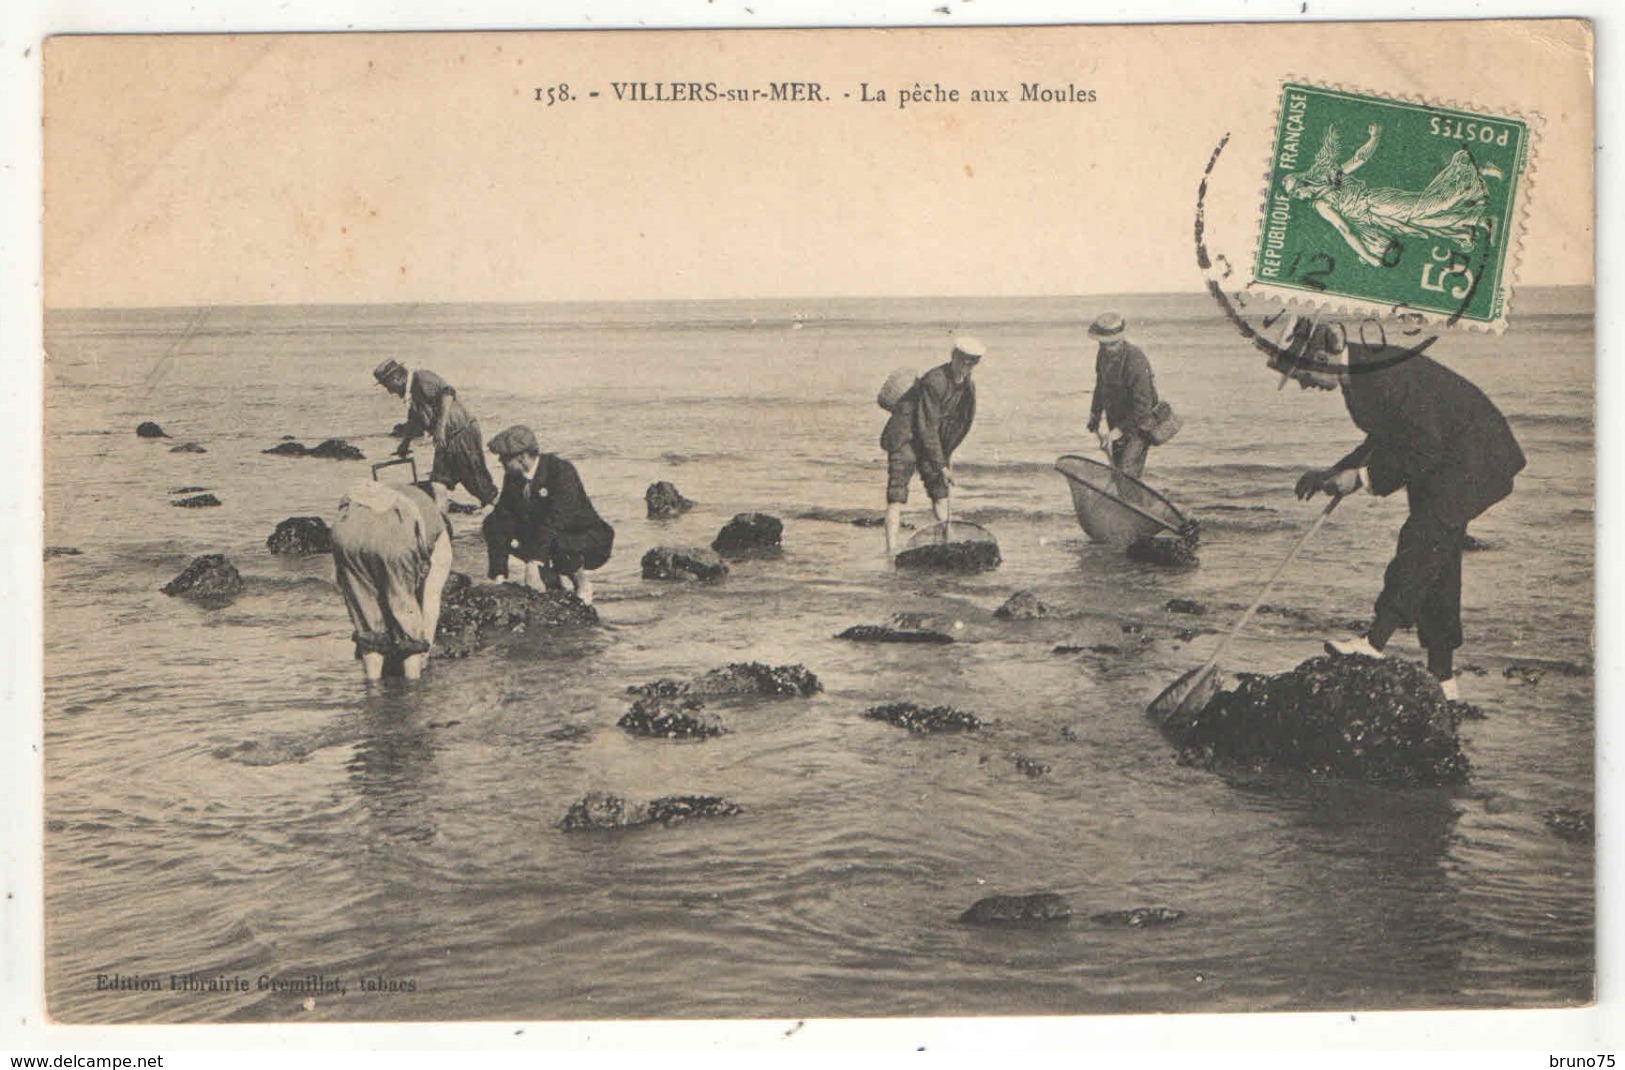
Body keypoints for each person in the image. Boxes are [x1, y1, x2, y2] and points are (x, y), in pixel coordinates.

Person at [1283, 317, 1525, 701]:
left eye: (1303, 371)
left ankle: (1374, 642)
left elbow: (1422, 444)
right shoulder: (1361, 373)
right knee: (1439, 559)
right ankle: (1443, 679)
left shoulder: (1376, 375)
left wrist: (1360, 479)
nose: (1301, 382)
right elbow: (1388, 435)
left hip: (1475, 456)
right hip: (1445, 457)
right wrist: (1335, 472)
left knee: (1422, 538)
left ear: (1324, 354)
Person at [1283, 122, 1502, 268]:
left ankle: (1474, 169)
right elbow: (1348, 228)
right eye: (1295, 196)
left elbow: (1358, 161)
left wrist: (1374, 137)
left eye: (1297, 193)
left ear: (1303, 184)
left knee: (1424, 207)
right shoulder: (1319, 201)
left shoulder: (1327, 184)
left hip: (1377, 202)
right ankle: (1480, 222)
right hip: (1376, 217)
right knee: (1421, 222)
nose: (1299, 197)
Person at [331, 479, 453, 682]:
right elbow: (431, 598)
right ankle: (414, 686)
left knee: (367, 618)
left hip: (346, 527)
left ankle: (372, 687)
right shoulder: (440, 531)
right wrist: (425, 646)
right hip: (394, 535)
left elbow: (340, 579)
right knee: (406, 612)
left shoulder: (399, 491)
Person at [482, 425, 615, 605]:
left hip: (586, 537)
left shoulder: (561, 471)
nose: (500, 461)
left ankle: (581, 584)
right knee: (493, 522)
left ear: (522, 457)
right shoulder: (513, 477)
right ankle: (550, 585)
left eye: (505, 458)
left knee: (558, 541)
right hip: (546, 537)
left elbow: (556, 519)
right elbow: (503, 517)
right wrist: (499, 574)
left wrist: (533, 562)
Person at [881, 335, 983, 555]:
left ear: (976, 363)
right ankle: (891, 551)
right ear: (953, 356)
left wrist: (945, 456)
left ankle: (949, 542)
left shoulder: (967, 387)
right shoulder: (935, 380)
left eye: (972, 361)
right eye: (963, 359)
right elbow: (926, 424)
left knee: (940, 492)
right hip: (906, 436)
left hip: (929, 441)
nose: (966, 365)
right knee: (896, 495)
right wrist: (942, 465)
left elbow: (958, 424)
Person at [373, 359, 499, 507]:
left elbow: (448, 394)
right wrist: (405, 443)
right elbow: (415, 420)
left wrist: (440, 428)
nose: (389, 391)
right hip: (445, 440)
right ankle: (442, 525)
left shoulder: (421, 379)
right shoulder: (411, 394)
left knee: (478, 483)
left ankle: (507, 513)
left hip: (461, 433)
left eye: (388, 385)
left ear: (397, 378)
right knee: (438, 483)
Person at [1085, 311, 1161, 479]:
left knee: (1127, 474)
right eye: (1103, 344)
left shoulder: (1135, 360)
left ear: (1120, 339)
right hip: (1116, 422)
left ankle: (1132, 502)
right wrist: (1095, 415)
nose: (1107, 348)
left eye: (1112, 344)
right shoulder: (1103, 355)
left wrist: (1114, 434)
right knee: (1118, 470)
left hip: (1139, 427)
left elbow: (1143, 408)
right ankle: (1125, 501)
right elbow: (1100, 386)